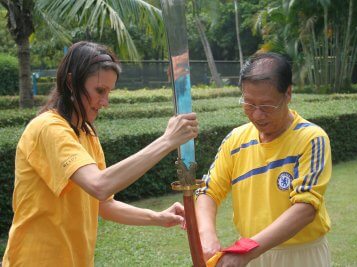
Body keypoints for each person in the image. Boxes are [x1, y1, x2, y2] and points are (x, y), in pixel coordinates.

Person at [2, 41, 199, 266]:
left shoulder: (87, 134)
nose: (105, 102)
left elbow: (103, 203)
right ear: (70, 82)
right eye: (99, 91)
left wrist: (158, 217)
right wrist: (167, 141)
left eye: (109, 92)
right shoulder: (48, 128)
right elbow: (99, 185)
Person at [196, 52, 331, 267]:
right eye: (249, 104)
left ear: (287, 94)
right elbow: (207, 191)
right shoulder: (235, 140)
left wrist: (246, 251)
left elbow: (305, 207)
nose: (257, 115)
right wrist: (207, 237)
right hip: (251, 252)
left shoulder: (311, 139)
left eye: (267, 106)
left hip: (301, 255)